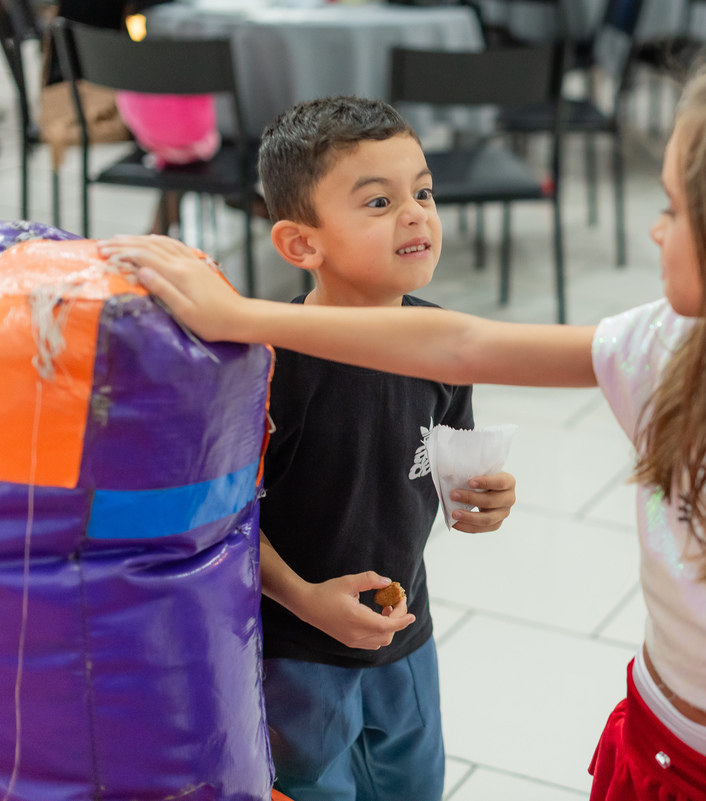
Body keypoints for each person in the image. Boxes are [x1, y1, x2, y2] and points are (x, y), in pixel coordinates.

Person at [102, 51, 706, 801]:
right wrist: (244, 319)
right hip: (656, 757)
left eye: (676, 210)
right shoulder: (665, 349)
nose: (654, 230)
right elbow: (458, 344)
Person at [163, 96, 518, 801]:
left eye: (423, 191)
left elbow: (444, 466)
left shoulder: (442, 344)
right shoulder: (270, 367)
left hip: (405, 632)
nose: (417, 213)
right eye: (379, 201)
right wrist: (304, 597)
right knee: (311, 785)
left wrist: (484, 496)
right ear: (301, 245)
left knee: (413, 782)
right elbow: (223, 519)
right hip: (296, 649)